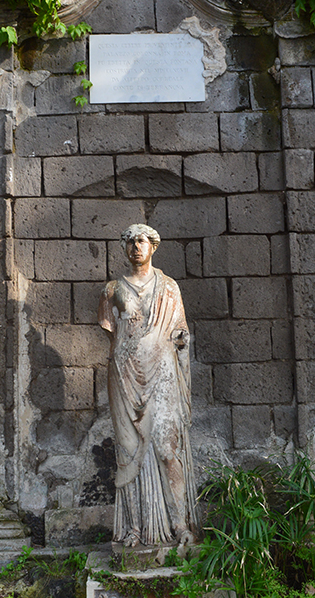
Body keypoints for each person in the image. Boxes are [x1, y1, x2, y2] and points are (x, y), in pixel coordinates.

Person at [98, 224, 199, 547]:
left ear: (153, 246)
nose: (135, 246)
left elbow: (180, 329)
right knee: (126, 452)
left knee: (168, 449)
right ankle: (134, 529)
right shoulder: (112, 289)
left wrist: (182, 339)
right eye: (129, 241)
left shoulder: (169, 288)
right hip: (125, 375)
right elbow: (111, 329)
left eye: (141, 241)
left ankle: (180, 525)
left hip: (163, 374)